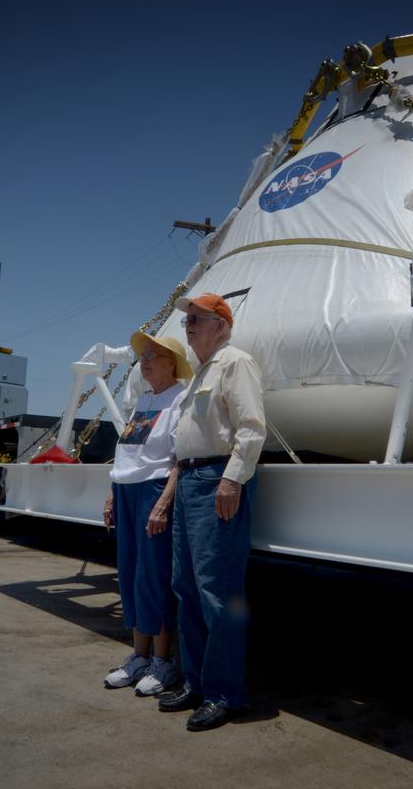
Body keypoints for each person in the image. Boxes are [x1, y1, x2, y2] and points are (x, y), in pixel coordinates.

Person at [157, 293, 266, 731]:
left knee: (216, 591)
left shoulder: (235, 363)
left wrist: (232, 479)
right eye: (187, 319)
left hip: (216, 480)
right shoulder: (201, 372)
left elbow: (251, 428)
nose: (188, 325)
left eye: (197, 319)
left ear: (221, 325)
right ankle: (196, 682)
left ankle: (224, 695)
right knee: (185, 586)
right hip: (189, 481)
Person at [102, 332, 192, 696]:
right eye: (144, 356)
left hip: (153, 489)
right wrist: (111, 493)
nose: (146, 361)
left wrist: (164, 501)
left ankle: (162, 660)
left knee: (152, 575)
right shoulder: (144, 401)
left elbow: (179, 459)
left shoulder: (180, 398)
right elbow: (127, 453)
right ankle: (138, 655)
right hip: (125, 490)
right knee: (128, 574)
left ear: (173, 362)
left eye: (154, 355)